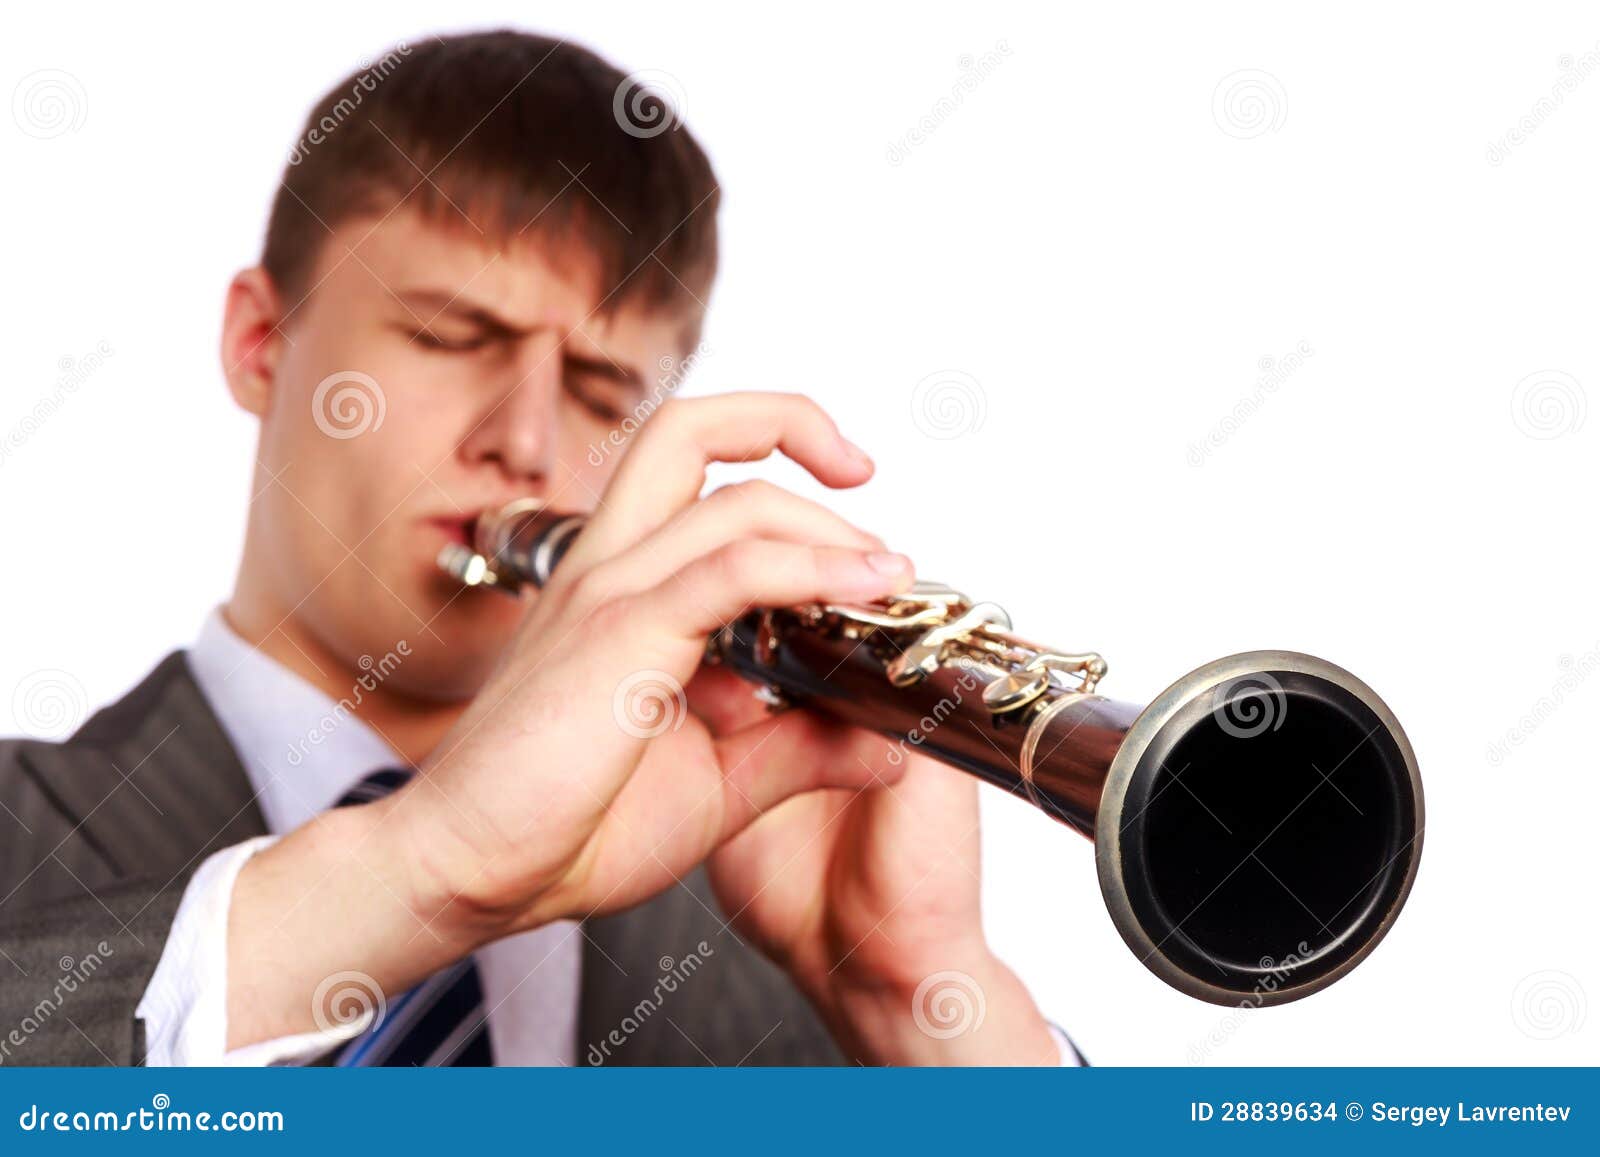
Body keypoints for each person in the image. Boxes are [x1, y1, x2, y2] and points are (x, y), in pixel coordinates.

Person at [0, 29, 1075, 1067]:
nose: (525, 440)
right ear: (258, 344)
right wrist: (417, 868)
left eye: (601, 390)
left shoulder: (771, 947)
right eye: (448, 338)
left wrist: (927, 1007)